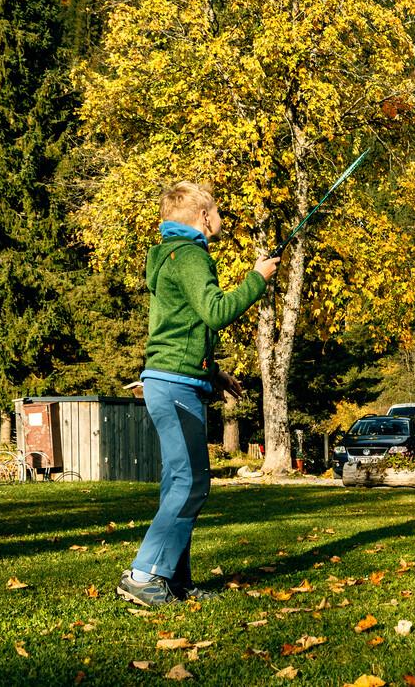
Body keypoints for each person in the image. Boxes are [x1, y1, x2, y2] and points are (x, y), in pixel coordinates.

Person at [116, 181, 279, 607]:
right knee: (192, 484)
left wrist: (214, 372)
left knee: (179, 483)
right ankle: (143, 574)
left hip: (175, 381)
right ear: (204, 217)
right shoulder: (191, 256)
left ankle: (172, 581)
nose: (222, 219)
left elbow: (182, 327)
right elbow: (216, 311)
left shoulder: (172, 255)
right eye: (218, 211)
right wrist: (257, 279)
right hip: (174, 387)